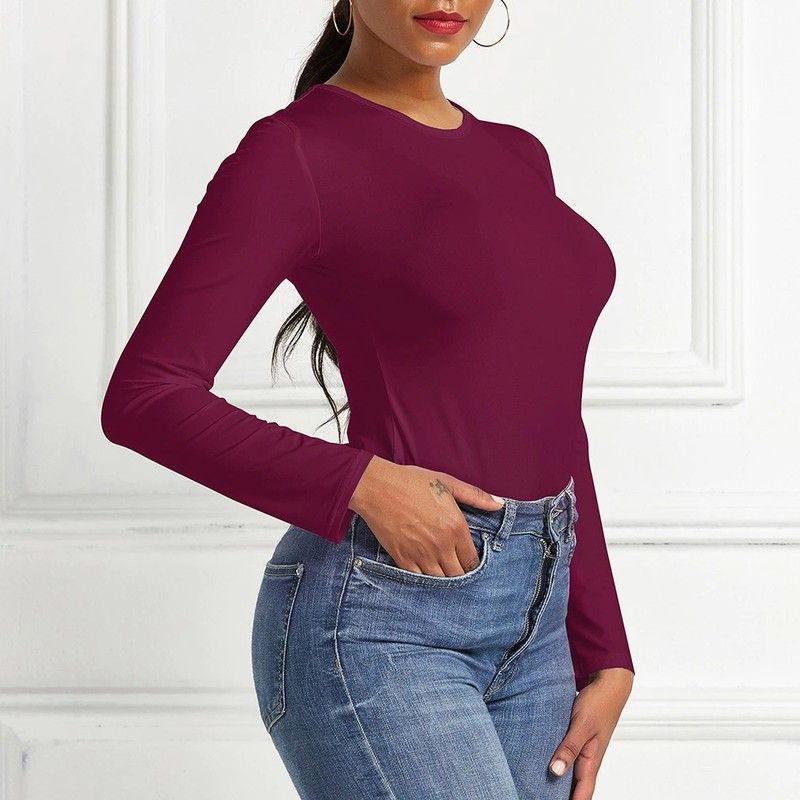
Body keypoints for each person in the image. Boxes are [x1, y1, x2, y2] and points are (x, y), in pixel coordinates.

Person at [100, 1, 635, 798]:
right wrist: (363, 482)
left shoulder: (519, 155)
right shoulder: (293, 153)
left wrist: (605, 648)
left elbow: (552, 411)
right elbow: (145, 395)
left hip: (542, 629)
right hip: (385, 619)